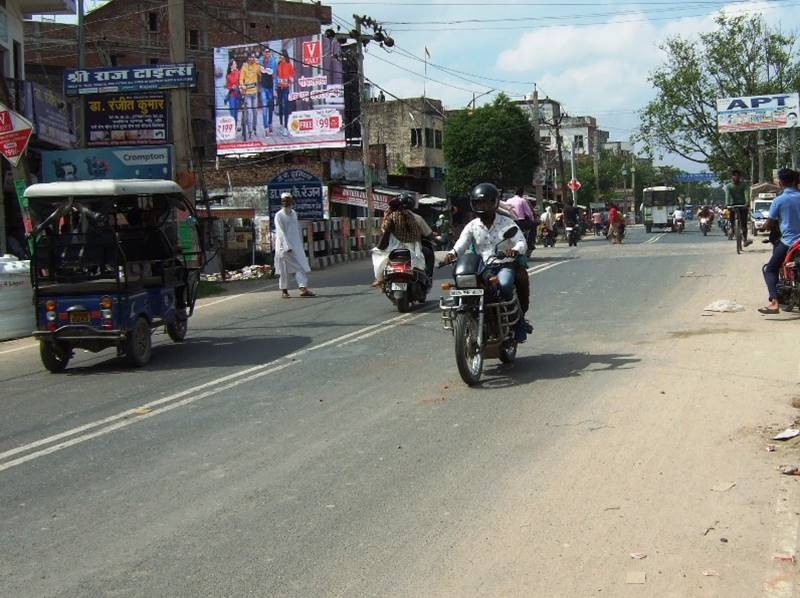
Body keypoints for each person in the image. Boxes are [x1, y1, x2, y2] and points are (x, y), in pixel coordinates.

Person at [444, 183, 530, 342]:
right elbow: (462, 243)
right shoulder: (472, 226)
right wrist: (452, 253)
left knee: (505, 285)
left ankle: (518, 323)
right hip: (480, 268)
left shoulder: (507, 223)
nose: (482, 206)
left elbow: (521, 242)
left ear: (494, 203)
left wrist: (514, 250)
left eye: (486, 203)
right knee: (460, 287)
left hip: (503, 266)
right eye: (478, 203)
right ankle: (463, 320)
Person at [759, 168, 800, 314]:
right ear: (795, 182)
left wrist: (763, 227)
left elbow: (770, 222)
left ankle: (775, 303)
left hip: (789, 241)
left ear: (780, 183)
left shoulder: (779, 200)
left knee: (770, 269)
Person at [371, 193, 426, 287]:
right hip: (413, 247)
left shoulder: (392, 217)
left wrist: (379, 247)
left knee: (377, 255)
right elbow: (418, 234)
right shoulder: (413, 217)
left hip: (395, 246)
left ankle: (379, 279)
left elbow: (385, 231)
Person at [274, 192, 315, 298]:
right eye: (283, 201)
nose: (285, 203)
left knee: (300, 266)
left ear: (291, 201)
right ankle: (284, 291)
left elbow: (296, 231)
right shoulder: (279, 215)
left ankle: (303, 288)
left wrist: (298, 245)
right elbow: (280, 232)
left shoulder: (294, 214)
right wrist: (287, 246)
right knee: (283, 270)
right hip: (283, 248)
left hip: (295, 246)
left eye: (287, 201)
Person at [501, 187, 537, 251]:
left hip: (510, 221)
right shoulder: (522, 200)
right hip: (521, 221)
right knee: (534, 226)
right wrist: (532, 219)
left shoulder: (509, 200)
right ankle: (530, 243)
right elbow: (528, 213)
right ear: (522, 193)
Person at [724, 168, 753, 246]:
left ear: (740, 177)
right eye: (734, 175)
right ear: (732, 177)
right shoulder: (729, 186)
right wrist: (727, 204)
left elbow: (746, 194)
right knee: (732, 218)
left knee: (744, 224)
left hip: (743, 205)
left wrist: (747, 202)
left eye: (738, 176)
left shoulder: (744, 185)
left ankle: (745, 239)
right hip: (732, 205)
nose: (736, 177)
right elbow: (727, 195)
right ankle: (732, 228)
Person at [238, 53, 261, 139]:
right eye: (251, 57)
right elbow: (241, 79)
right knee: (249, 112)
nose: (252, 59)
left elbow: (261, 74)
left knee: (255, 111)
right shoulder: (244, 67)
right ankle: (250, 130)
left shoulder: (256, 65)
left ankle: (254, 128)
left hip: (254, 92)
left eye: (253, 57)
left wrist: (259, 65)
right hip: (247, 92)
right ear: (248, 58)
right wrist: (242, 85)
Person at [259, 48, 278, 136]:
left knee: (270, 107)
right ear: (263, 53)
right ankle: (266, 128)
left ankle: (270, 124)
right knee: (264, 108)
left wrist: (275, 89)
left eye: (268, 52)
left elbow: (275, 76)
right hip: (263, 87)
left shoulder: (273, 61)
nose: (267, 53)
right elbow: (257, 73)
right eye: (266, 52)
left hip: (270, 87)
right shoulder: (260, 61)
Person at [276, 50, 295, 135]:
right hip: (279, 88)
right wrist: (277, 84)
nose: (280, 56)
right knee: (280, 105)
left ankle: (286, 127)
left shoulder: (289, 65)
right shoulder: (278, 65)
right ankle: (281, 124)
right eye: (279, 55)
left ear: (284, 56)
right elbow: (276, 76)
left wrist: (290, 80)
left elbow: (292, 75)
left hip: (286, 88)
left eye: (281, 55)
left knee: (285, 105)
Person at [224, 59, 242, 131]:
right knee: (232, 111)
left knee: (236, 112)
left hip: (237, 94)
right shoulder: (228, 75)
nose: (235, 65)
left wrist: (239, 86)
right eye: (234, 64)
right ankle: (233, 127)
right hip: (231, 95)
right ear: (231, 66)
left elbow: (240, 82)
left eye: (236, 64)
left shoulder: (238, 72)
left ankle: (235, 126)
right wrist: (231, 87)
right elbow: (227, 86)